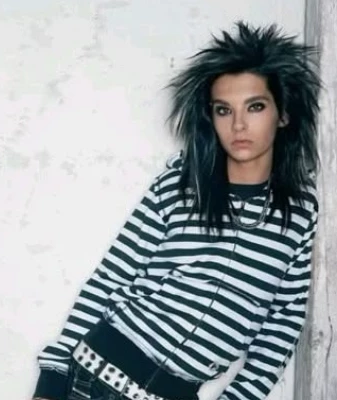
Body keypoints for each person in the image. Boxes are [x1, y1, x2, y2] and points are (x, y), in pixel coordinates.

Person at [32, 21, 321, 400]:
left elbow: (283, 323)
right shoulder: (180, 184)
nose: (238, 124)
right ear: (210, 118)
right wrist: (53, 375)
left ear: (283, 114)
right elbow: (112, 275)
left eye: (255, 106)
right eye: (223, 110)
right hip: (95, 376)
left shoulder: (299, 212)